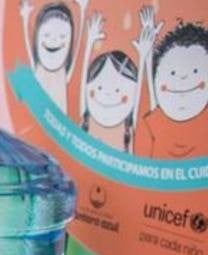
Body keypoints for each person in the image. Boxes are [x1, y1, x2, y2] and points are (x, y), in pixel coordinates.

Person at [78, 8, 158, 153]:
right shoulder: (86, 119)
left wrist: (145, 56)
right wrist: (89, 42)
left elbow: (138, 98)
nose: (108, 95)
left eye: (118, 91)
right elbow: (83, 80)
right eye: (99, 88)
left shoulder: (128, 127)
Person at [136, 19, 208, 158]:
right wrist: (146, 56)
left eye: (195, 71)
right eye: (172, 73)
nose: (183, 78)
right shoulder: (153, 122)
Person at [20, 0, 89, 115]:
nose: (54, 40)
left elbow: (77, 52)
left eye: (62, 36)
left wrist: (83, 11)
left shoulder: (64, 73)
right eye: (47, 35)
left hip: (57, 122)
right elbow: (27, 46)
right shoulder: (37, 68)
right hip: (34, 118)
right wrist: (25, 18)